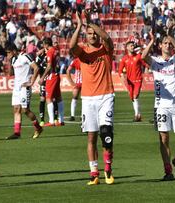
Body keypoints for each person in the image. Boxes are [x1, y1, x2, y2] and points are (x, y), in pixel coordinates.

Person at [70, 11, 115, 185]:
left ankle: (108, 170)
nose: (93, 35)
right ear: (86, 36)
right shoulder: (82, 53)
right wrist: (80, 26)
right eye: (89, 34)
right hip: (88, 99)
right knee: (91, 138)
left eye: (94, 33)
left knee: (106, 133)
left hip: (106, 96)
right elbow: (71, 46)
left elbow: (108, 37)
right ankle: (94, 173)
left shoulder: (106, 49)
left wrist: (91, 23)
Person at [141, 24, 175, 181]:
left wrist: (171, 36)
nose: (168, 45)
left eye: (170, 44)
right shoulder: (155, 61)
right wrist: (152, 40)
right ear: (160, 46)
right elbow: (143, 57)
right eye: (166, 43)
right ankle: (168, 170)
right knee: (164, 139)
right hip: (161, 105)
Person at [5, 44, 43, 140]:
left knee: (25, 110)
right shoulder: (13, 60)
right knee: (16, 109)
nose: (8, 55)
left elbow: (36, 68)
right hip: (16, 88)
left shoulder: (25, 57)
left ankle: (38, 128)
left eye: (9, 53)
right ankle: (17, 133)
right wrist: (9, 62)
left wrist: (31, 82)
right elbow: (11, 74)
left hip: (24, 88)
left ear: (14, 51)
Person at [39, 38, 65, 126]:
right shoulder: (55, 50)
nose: (43, 46)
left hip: (52, 76)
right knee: (58, 98)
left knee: (48, 98)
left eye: (43, 44)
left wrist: (42, 77)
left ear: (46, 44)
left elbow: (49, 66)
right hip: (57, 75)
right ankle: (61, 120)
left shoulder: (50, 51)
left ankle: (51, 121)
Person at [118, 40, 144, 122]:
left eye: (133, 46)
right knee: (132, 98)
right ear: (127, 47)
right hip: (129, 82)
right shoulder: (124, 59)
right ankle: (138, 114)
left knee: (135, 96)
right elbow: (120, 71)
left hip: (138, 80)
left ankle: (137, 115)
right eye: (131, 46)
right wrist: (121, 75)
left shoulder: (139, 56)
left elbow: (146, 64)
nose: (133, 47)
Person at [66, 56, 81, 121]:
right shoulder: (76, 60)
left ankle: (81, 115)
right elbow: (68, 70)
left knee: (82, 98)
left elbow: (68, 70)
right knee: (75, 97)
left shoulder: (76, 60)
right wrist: (71, 82)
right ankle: (73, 115)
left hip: (84, 83)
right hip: (79, 83)